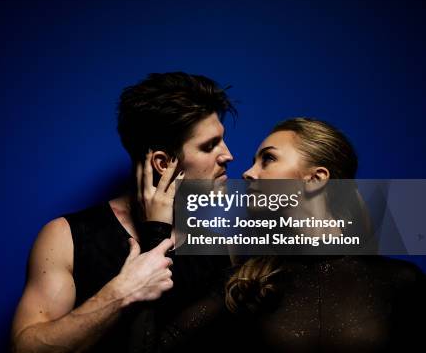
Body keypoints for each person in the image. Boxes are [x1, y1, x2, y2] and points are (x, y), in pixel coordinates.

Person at [132, 117, 425, 352]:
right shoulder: (245, 283)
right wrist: (156, 231)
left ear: (316, 179)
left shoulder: (400, 281)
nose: (247, 173)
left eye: (267, 159)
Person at [10, 72, 236, 352]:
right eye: (209, 146)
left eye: (222, 140)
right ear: (163, 163)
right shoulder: (66, 237)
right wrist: (122, 291)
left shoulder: (217, 247)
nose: (228, 155)